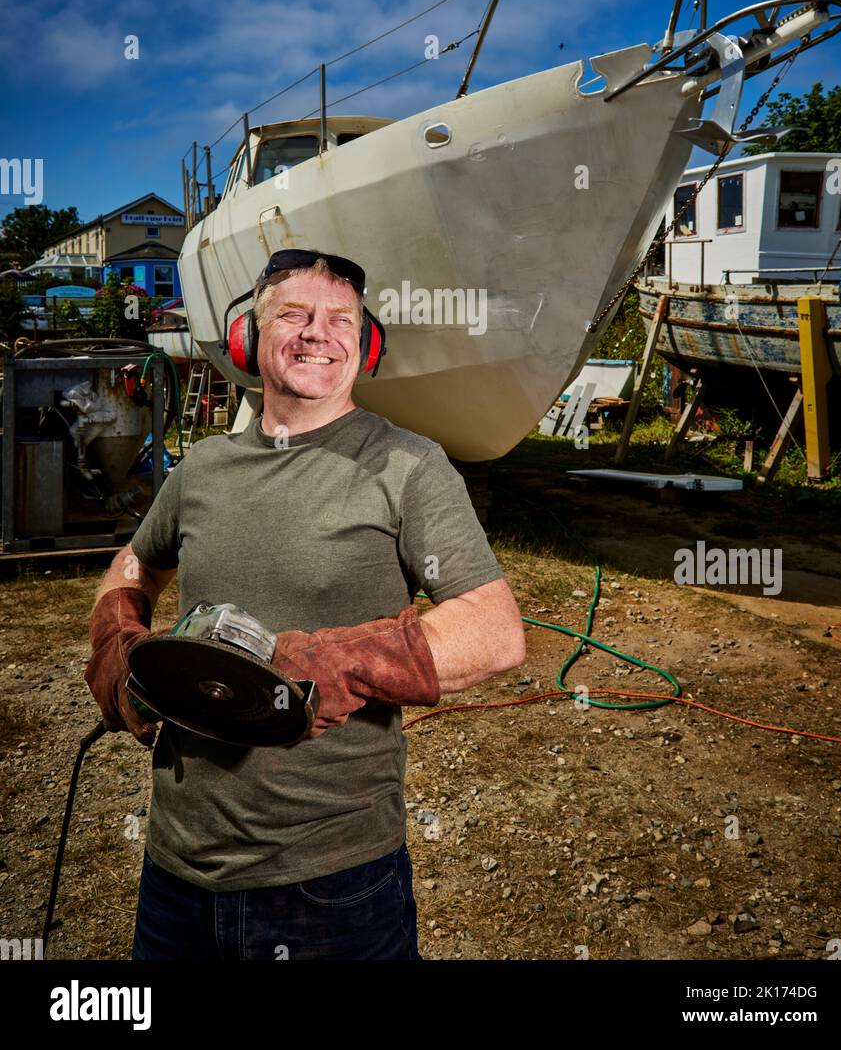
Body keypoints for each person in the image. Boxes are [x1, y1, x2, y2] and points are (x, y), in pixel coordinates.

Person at [84, 248, 526, 960]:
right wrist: (115, 639)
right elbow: (138, 563)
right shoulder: (202, 469)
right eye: (292, 315)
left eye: (340, 320)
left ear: (365, 343)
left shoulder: (408, 467)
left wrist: (328, 665)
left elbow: (494, 631)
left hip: (329, 883)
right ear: (246, 338)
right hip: (176, 868)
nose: (316, 332)